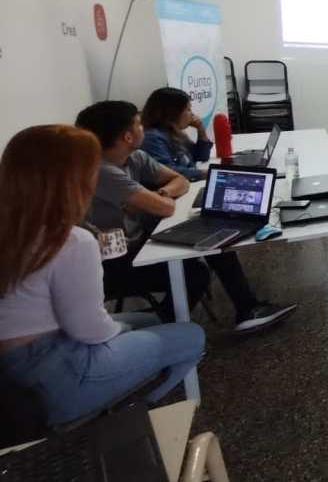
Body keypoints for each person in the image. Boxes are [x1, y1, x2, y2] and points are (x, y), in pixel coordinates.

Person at [0, 125, 204, 426]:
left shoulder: (15, 228)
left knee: (149, 321)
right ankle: (130, 412)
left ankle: (122, 393)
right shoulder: (70, 241)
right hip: (57, 375)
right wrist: (120, 332)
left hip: (13, 372)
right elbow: (91, 332)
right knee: (193, 336)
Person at [75, 101, 296, 334]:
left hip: (136, 243)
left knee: (214, 235)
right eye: (139, 124)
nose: (144, 128)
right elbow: (166, 209)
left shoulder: (135, 157)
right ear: (127, 136)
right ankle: (160, 333)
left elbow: (179, 180)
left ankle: (247, 309)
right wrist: (160, 200)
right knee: (195, 272)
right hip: (110, 265)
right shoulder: (102, 171)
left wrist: (160, 194)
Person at [141, 87, 213, 182]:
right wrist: (205, 174)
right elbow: (169, 172)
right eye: (188, 109)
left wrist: (201, 129)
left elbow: (202, 156)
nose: (192, 114)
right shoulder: (153, 138)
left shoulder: (175, 133)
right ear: (173, 113)